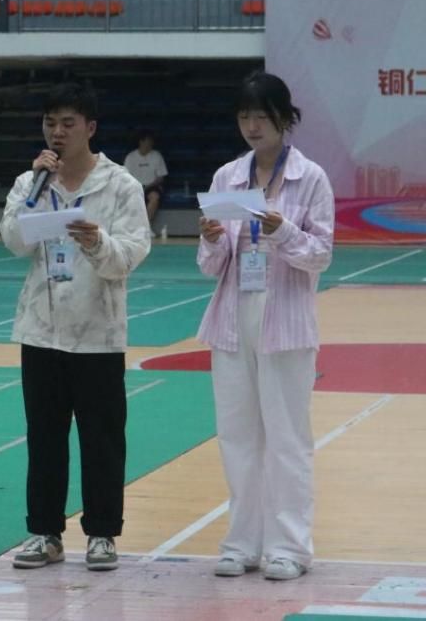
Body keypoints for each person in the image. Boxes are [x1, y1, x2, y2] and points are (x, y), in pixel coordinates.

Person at [0, 83, 152, 572]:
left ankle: (102, 534)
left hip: (98, 335)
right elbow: (14, 241)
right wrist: (34, 190)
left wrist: (97, 241)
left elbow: (130, 255)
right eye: (51, 123)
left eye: (68, 123)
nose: (58, 132)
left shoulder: (120, 185)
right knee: (44, 437)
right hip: (41, 331)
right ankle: (45, 532)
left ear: (91, 127)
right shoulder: (31, 182)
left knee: (101, 439)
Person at [195, 71, 335, 581]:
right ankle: (242, 544)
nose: (252, 126)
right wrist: (212, 238)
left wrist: (283, 230)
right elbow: (210, 266)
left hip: (286, 322)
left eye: (262, 116)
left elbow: (320, 255)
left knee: (287, 439)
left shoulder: (310, 178)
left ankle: (290, 548)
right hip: (233, 320)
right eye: (244, 116)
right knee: (237, 436)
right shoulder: (227, 177)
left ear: (284, 118)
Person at [123, 129, 168, 233]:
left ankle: (145, 228)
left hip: (152, 186)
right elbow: (125, 176)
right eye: (148, 141)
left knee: (154, 197)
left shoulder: (157, 156)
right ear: (141, 142)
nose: (150, 143)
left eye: (151, 141)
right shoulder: (130, 157)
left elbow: (160, 177)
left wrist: (147, 186)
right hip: (134, 187)